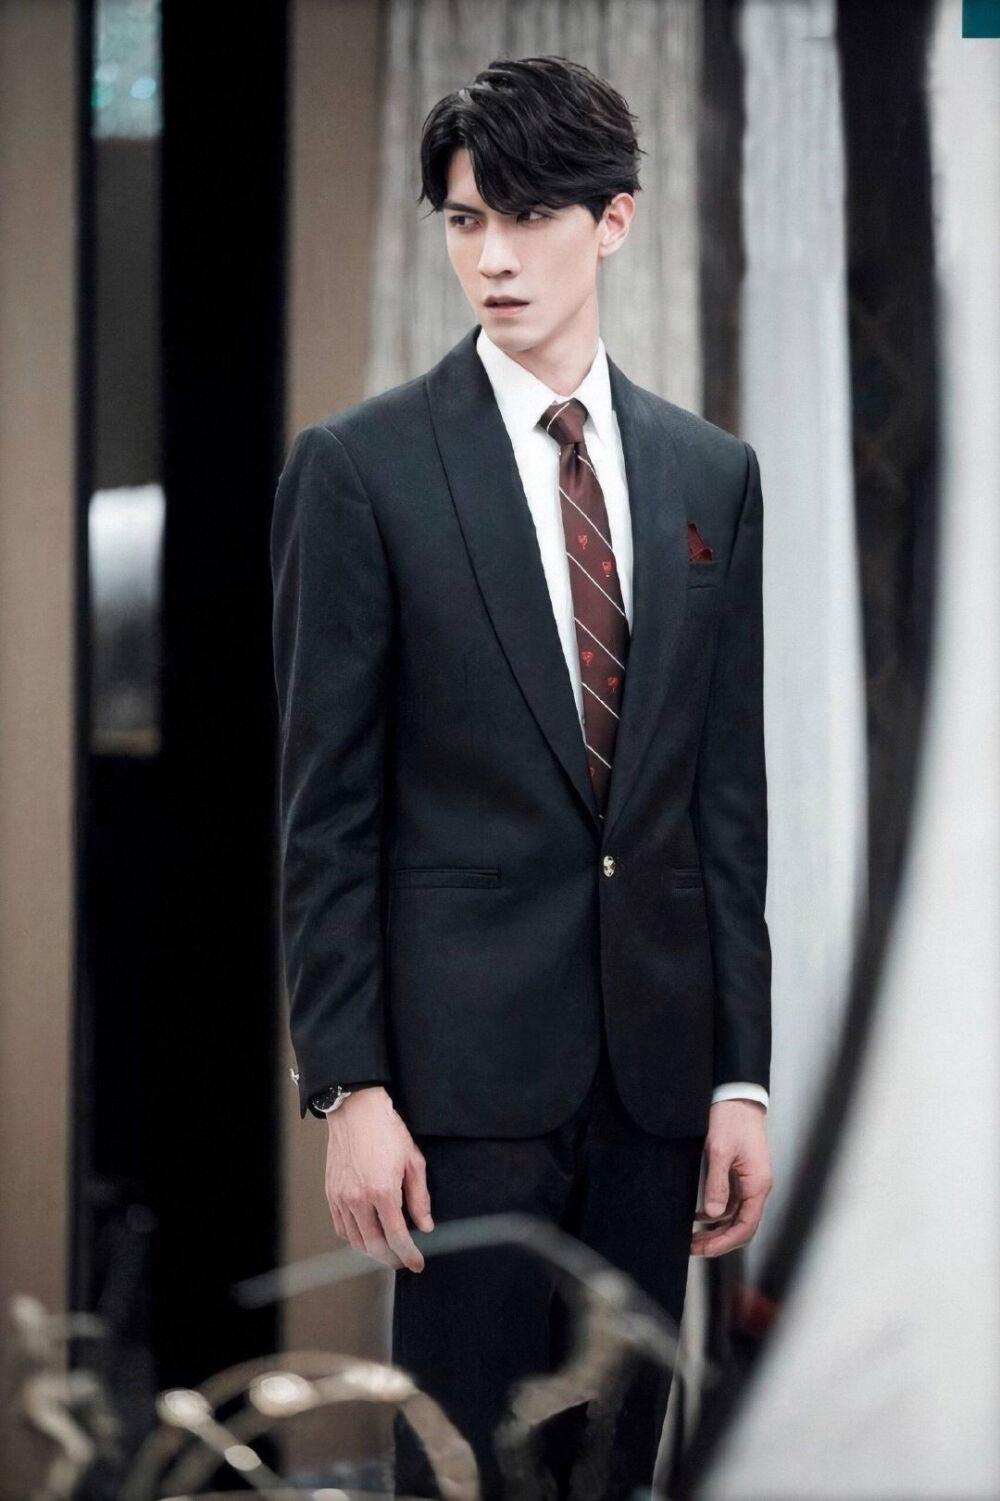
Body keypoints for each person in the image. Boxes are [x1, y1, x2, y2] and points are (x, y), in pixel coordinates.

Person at [270, 54, 773, 1501]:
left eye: (529, 215)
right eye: (464, 219)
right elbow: (326, 808)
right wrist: (349, 1084)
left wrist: (740, 1072)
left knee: (615, 1466)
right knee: (463, 1471)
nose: (491, 256)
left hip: (657, 1077)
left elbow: (723, 804)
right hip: (460, 1089)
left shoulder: (709, 475)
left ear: (612, 221)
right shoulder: (359, 470)